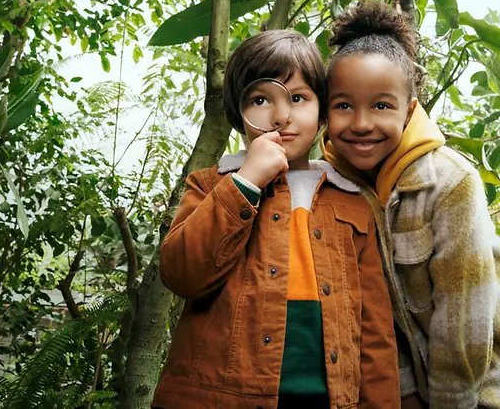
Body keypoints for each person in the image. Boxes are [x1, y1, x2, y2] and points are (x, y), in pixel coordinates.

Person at [320, 0, 500, 409]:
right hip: (405, 383)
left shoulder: (449, 182)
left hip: (484, 382)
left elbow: (464, 329)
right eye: (343, 106)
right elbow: (375, 312)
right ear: (325, 110)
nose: (360, 123)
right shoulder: (332, 184)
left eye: (381, 106)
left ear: (410, 111)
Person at [153, 30, 400, 409]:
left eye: (298, 98)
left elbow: (376, 333)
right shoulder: (209, 186)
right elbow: (182, 274)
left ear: (323, 112)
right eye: (260, 99)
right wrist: (247, 181)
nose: (281, 115)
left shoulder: (354, 203)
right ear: (239, 114)